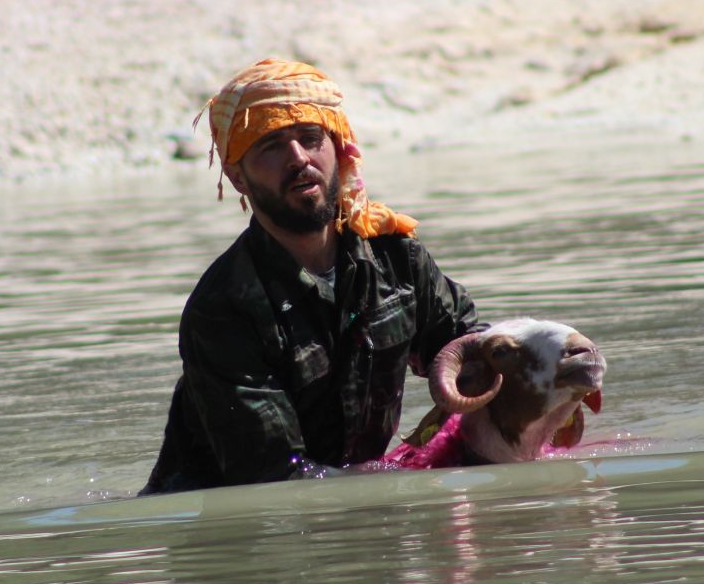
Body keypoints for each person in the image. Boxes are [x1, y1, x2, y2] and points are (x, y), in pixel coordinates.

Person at [141, 58, 483, 494]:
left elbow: (474, 353)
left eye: (310, 138)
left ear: (338, 149)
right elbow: (276, 480)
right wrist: (404, 478)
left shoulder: (396, 257)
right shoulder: (224, 309)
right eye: (271, 146)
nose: (299, 158)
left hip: (360, 507)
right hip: (244, 534)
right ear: (236, 177)